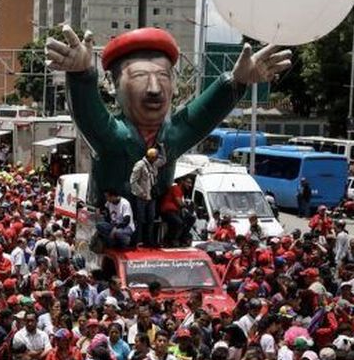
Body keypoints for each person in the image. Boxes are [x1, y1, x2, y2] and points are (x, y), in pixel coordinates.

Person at [44, 24, 292, 207]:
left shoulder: (172, 137)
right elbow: (88, 116)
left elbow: (204, 114)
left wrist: (237, 82)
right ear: (113, 85)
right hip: (113, 237)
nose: (154, 89)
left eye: (163, 76)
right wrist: (80, 77)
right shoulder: (113, 136)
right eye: (140, 76)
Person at [131, 148, 164, 247]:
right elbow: (133, 181)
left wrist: (161, 148)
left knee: (151, 219)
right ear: (150, 157)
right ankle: (138, 240)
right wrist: (141, 193)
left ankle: (149, 240)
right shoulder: (140, 165)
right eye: (154, 158)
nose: (156, 159)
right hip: (142, 197)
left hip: (152, 197)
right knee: (140, 219)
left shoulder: (154, 165)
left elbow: (163, 160)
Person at [159, 176, 191, 246]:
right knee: (179, 223)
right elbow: (179, 203)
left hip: (174, 211)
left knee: (189, 219)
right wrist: (187, 205)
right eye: (188, 182)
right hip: (167, 211)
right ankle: (169, 240)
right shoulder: (176, 188)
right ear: (182, 181)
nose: (190, 185)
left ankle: (181, 239)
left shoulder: (181, 191)